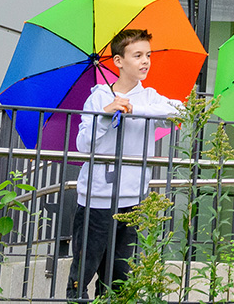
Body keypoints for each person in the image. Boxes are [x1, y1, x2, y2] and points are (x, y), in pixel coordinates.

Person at [68, 29, 182, 299]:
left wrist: (136, 109)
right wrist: (106, 114)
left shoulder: (150, 97)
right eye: (138, 55)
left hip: (132, 198)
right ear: (119, 61)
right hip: (96, 198)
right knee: (84, 268)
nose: (145, 62)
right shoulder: (98, 98)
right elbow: (83, 145)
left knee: (119, 275)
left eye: (148, 55)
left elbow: (180, 111)